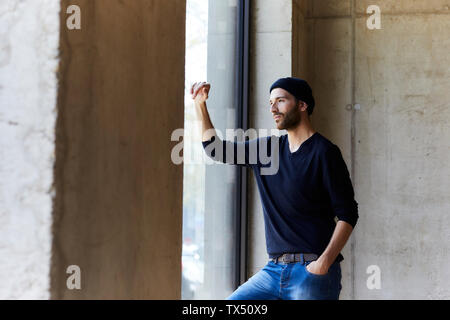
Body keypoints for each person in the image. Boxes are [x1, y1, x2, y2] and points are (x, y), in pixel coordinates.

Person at [190, 77, 359, 300]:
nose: (273, 108)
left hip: (312, 272)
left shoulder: (324, 153)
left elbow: (348, 214)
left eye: (280, 101)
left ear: (302, 105)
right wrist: (200, 104)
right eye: (270, 102)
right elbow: (216, 150)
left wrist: (323, 263)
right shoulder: (267, 149)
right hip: (273, 271)